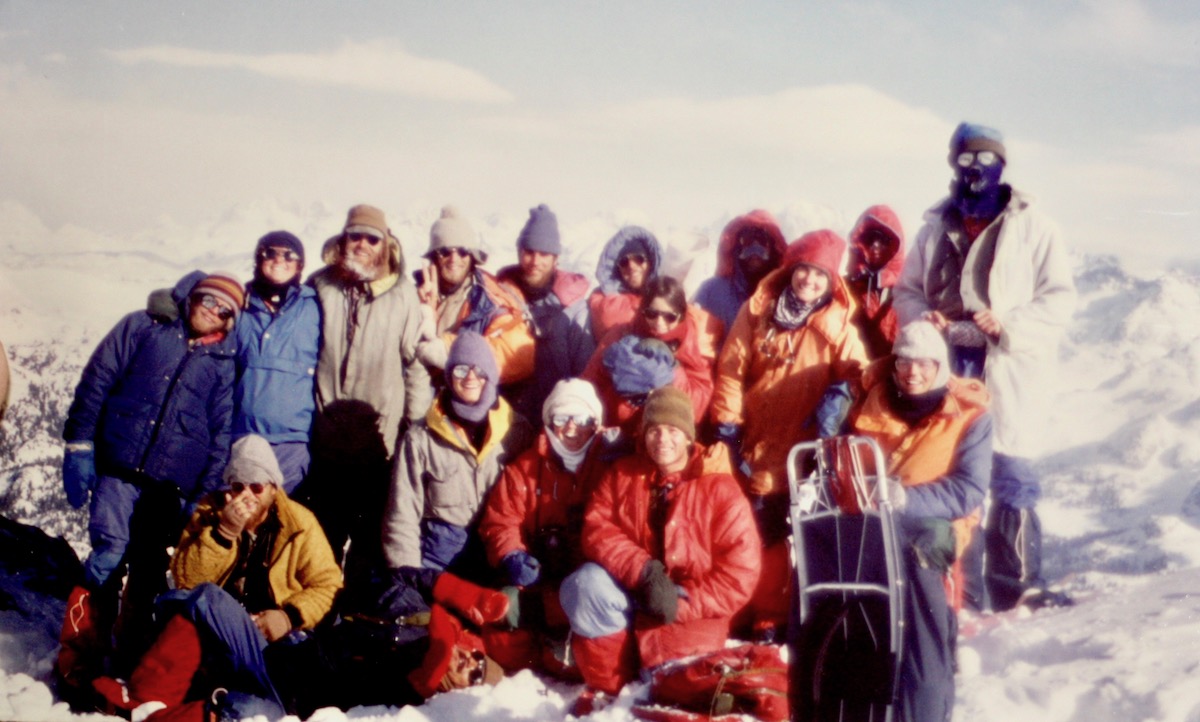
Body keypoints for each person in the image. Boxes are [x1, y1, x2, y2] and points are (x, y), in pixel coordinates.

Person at [894, 122, 1077, 611]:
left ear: (1002, 165)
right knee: (953, 472)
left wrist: (1008, 325)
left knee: (1012, 471)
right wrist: (925, 322)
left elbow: (1059, 299)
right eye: (965, 159)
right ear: (953, 163)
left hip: (1007, 365)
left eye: (985, 159)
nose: (975, 170)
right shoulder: (935, 227)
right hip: (950, 365)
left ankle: (1017, 586)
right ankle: (962, 592)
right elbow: (908, 290)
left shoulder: (1034, 227)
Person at [57, 271, 242, 688]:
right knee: (109, 551)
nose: (212, 311)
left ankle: (131, 660)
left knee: (149, 568)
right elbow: (98, 379)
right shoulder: (145, 327)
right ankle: (81, 653)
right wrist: (79, 443)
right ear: (192, 296)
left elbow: (221, 432)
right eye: (208, 300)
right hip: (120, 465)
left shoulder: (222, 364)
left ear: (231, 321)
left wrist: (203, 494)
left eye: (223, 310)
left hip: (170, 488)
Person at [89, 434, 342, 722]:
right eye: (238, 487)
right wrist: (225, 533)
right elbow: (186, 579)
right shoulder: (212, 512)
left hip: (275, 649)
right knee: (191, 606)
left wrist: (287, 617)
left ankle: (140, 702)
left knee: (206, 604)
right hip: (222, 635)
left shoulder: (299, 524)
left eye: (257, 487)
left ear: (273, 489)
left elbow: (328, 585)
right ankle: (146, 701)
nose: (247, 496)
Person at [560, 387, 761, 715]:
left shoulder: (721, 489)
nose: (662, 439)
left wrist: (679, 603)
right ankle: (608, 686)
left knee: (677, 693)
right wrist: (643, 571)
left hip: (691, 615)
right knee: (585, 585)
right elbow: (597, 528)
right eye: (654, 430)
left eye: (672, 430)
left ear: (688, 437)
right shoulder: (622, 474)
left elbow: (740, 575)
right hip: (633, 594)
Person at [710, 229, 867, 633]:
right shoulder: (759, 311)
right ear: (792, 269)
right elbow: (732, 367)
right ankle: (741, 610)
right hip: (757, 442)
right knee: (752, 532)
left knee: (788, 538)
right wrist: (728, 423)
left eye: (820, 275)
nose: (809, 281)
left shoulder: (836, 325)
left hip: (805, 448)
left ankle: (772, 615)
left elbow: (858, 373)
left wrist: (841, 395)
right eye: (804, 271)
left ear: (832, 281)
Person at [847, 321, 992, 722]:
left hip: (937, 523)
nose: (913, 373)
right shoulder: (869, 403)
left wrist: (906, 499)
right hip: (874, 519)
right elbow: (846, 460)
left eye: (925, 364)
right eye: (905, 362)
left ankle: (925, 701)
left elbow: (968, 490)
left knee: (919, 577)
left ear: (940, 366)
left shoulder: (970, 417)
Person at [299, 204, 433, 573]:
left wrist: (415, 427)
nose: (361, 244)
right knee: (318, 544)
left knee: (368, 547)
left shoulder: (403, 294)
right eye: (353, 236)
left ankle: (360, 625)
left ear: (386, 245)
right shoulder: (322, 285)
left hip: (378, 446)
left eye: (371, 238)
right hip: (323, 443)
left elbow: (415, 365)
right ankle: (312, 623)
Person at [477, 378, 607, 677]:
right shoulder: (525, 468)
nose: (571, 428)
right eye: (562, 418)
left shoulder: (607, 466)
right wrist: (511, 554)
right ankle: (541, 653)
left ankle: (564, 649)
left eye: (582, 419)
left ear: (595, 423)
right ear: (549, 421)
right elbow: (501, 519)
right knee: (503, 610)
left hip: (584, 583)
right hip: (538, 578)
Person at [382, 331, 535, 576]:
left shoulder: (517, 432)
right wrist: (410, 576)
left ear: (491, 375)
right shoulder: (421, 437)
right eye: (460, 370)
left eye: (479, 370)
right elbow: (402, 514)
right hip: (438, 557)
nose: (470, 378)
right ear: (449, 375)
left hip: (496, 552)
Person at [232, 231, 320, 493]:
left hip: (291, 441)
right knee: (241, 514)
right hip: (242, 436)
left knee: (284, 516)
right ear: (258, 258)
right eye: (271, 252)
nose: (279, 259)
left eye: (289, 254)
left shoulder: (314, 306)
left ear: (301, 265)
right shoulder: (238, 303)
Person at [583, 276, 721, 439]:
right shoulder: (621, 334)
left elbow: (699, 404)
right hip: (620, 431)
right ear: (643, 311)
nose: (659, 322)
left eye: (669, 317)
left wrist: (671, 373)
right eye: (652, 314)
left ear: (682, 315)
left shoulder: (692, 342)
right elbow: (590, 384)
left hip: (666, 435)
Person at [495, 204, 596, 423]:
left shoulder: (574, 310)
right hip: (505, 419)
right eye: (529, 252)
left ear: (555, 258)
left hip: (558, 423)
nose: (535, 262)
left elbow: (585, 377)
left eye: (544, 254)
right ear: (520, 253)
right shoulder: (498, 299)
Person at [414, 205, 535, 385]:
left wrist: (450, 349)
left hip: (473, 403)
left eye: (462, 251)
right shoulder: (414, 296)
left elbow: (519, 354)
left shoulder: (490, 298)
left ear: (472, 257)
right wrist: (421, 311)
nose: (454, 259)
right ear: (434, 257)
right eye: (445, 252)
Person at [693, 209, 787, 335]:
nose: (755, 249)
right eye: (747, 240)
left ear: (774, 249)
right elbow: (695, 339)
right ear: (737, 247)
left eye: (762, 241)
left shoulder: (784, 296)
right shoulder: (712, 290)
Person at [845, 205, 907, 360]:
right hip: (858, 371)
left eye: (884, 240)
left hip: (899, 373)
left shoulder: (910, 286)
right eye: (870, 238)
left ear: (896, 245)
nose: (875, 246)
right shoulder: (847, 287)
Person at [587, 225, 664, 342]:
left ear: (651, 262)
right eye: (624, 262)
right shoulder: (605, 299)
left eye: (639, 259)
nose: (631, 266)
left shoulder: (667, 293)